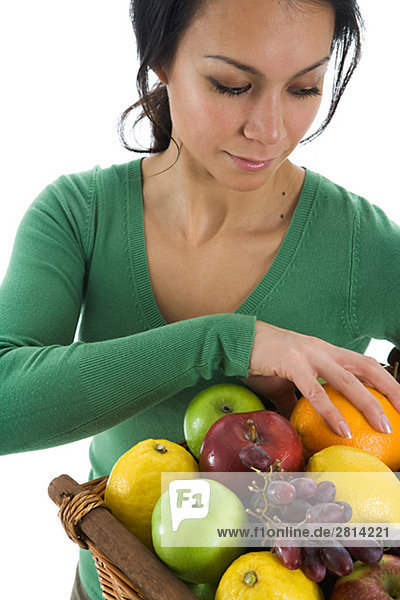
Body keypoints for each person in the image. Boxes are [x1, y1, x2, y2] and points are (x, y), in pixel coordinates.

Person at [1, 0, 400, 598]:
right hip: (110, 583)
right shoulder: (79, 215)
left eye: (305, 87)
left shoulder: (359, 243)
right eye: (231, 84)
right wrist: (229, 343)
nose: (269, 129)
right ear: (160, 61)